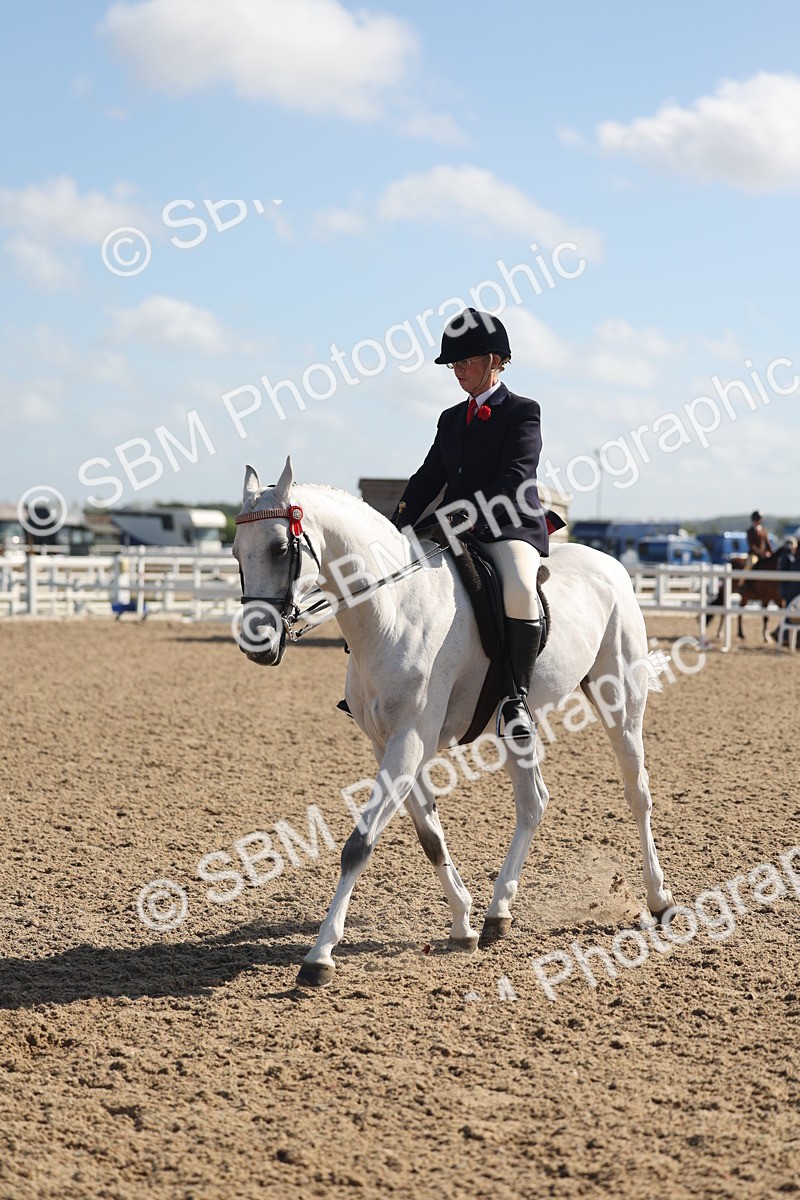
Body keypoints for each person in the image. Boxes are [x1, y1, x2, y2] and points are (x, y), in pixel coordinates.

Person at [391, 307, 548, 740]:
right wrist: (396, 525)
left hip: (507, 526)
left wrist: (471, 515)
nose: (457, 370)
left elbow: (515, 477)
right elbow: (428, 478)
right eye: (453, 364)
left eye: (465, 361)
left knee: (520, 586)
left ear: (494, 361)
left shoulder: (523, 411)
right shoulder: (450, 418)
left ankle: (515, 699)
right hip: (451, 528)